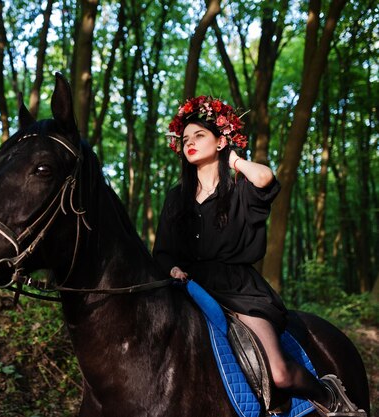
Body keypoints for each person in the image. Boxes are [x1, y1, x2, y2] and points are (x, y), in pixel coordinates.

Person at [153, 96, 364, 416]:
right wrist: (172, 270)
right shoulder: (175, 197)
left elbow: (265, 179)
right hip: (188, 286)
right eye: (185, 139)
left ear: (221, 141)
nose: (190, 143)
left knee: (278, 372)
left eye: (199, 136)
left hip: (238, 290)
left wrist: (234, 161)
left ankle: (329, 395)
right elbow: (163, 251)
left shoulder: (240, 189)